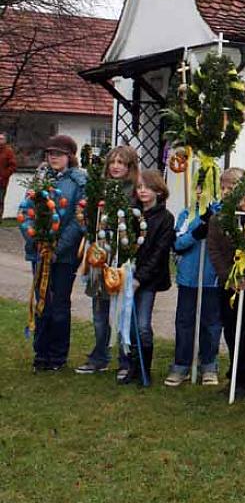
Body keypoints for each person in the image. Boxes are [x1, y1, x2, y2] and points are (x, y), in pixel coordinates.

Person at [19, 135, 86, 372]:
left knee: (59, 305)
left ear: (70, 156)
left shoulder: (79, 182)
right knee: (42, 303)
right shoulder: (40, 178)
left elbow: (79, 220)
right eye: (50, 153)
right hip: (39, 252)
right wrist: (35, 239)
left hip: (64, 256)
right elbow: (25, 212)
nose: (53, 157)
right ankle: (41, 354)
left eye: (58, 154)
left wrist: (57, 248)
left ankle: (58, 356)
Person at [75, 145, 140, 376]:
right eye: (112, 162)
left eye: (121, 162)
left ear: (130, 167)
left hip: (122, 258)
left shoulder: (136, 193)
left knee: (122, 310)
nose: (115, 166)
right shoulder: (99, 189)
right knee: (99, 312)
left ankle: (125, 360)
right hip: (99, 257)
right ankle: (99, 356)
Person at [207, 167, 245, 399]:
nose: (226, 192)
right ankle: (235, 372)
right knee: (230, 329)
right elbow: (214, 249)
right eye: (223, 188)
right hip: (228, 283)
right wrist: (227, 276)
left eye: (231, 188)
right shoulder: (218, 219)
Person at [119, 169, 174, 386]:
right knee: (130, 322)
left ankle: (145, 369)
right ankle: (132, 366)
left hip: (148, 279)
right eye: (140, 187)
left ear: (158, 191)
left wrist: (139, 279)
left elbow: (159, 253)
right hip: (128, 274)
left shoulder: (165, 218)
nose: (142, 191)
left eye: (147, 187)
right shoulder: (131, 214)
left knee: (142, 323)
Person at [165, 186, 222, 387]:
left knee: (211, 323)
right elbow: (177, 244)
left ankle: (208, 364)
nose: (200, 193)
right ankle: (181, 365)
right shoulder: (187, 214)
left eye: (204, 188)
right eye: (197, 188)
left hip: (211, 279)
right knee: (185, 321)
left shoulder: (221, 213)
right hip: (189, 277)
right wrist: (196, 233)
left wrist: (212, 223)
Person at [0, 132, 17, 219]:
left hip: (1, 182)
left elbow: (13, 166)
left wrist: (3, 176)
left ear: (5, 140)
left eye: (1, 139)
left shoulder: (8, 151)